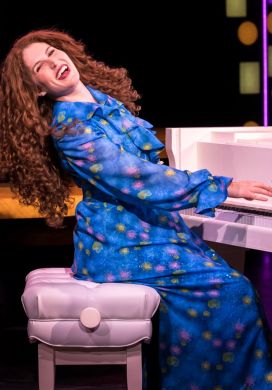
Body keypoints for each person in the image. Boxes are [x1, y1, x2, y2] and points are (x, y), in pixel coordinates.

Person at [1, 29, 272, 389]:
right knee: (231, 291)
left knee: (229, 284)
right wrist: (222, 186)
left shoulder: (104, 104)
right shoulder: (72, 129)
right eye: (41, 66)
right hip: (118, 246)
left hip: (150, 231)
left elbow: (153, 173)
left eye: (53, 53)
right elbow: (140, 179)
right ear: (38, 89)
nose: (55, 63)